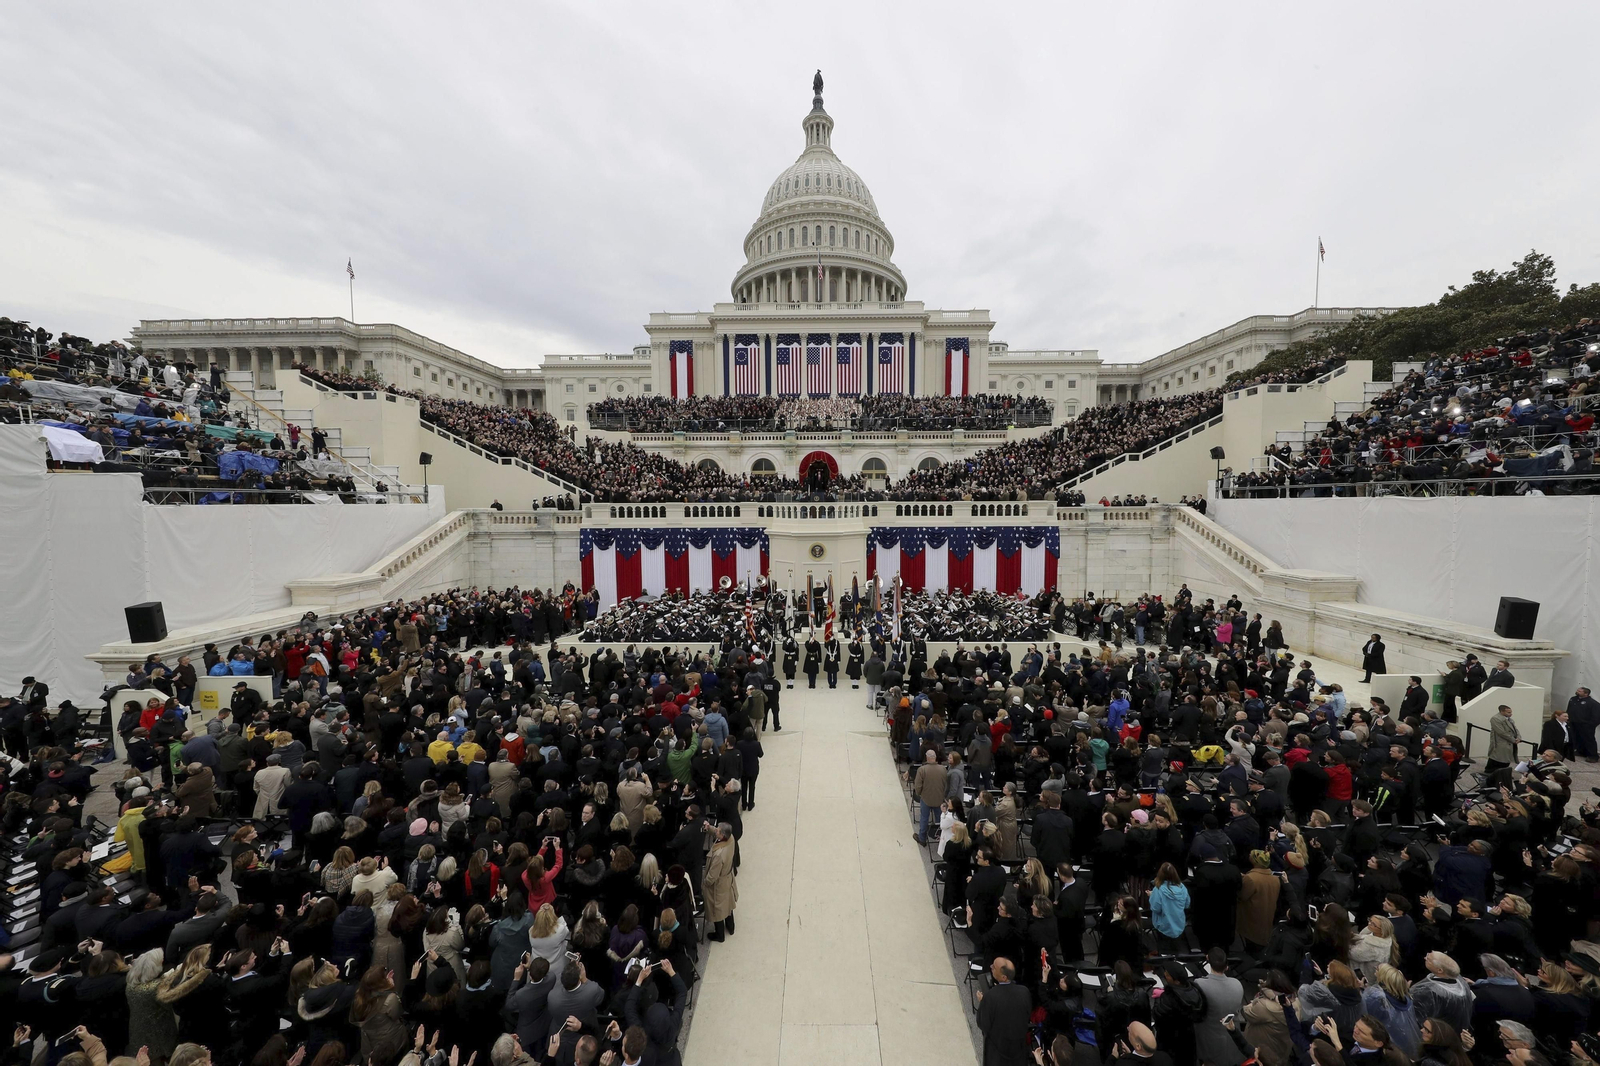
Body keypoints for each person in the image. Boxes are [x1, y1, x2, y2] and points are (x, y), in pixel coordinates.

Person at [974, 957, 1031, 1066]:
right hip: (1018, 1050)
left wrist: (983, 1002)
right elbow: (1027, 1014)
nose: (991, 967)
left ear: (1004, 977)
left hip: (996, 1052)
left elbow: (983, 1024)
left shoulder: (990, 996)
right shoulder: (1024, 992)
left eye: (994, 967)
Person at [1486, 704, 1521, 772]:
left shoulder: (1510, 720)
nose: (1511, 714)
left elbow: (1515, 729)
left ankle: (1502, 772)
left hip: (1509, 743)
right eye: (1508, 712)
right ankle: (1492, 772)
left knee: (1506, 760)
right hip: (1500, 743)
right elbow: (1501, 732)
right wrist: (1513, 740)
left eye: (1510, 712)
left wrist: (1518, 737)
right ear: (1502, 711)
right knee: (1498, 759)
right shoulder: (1495, 719)